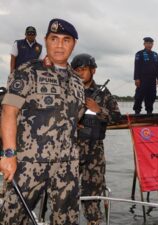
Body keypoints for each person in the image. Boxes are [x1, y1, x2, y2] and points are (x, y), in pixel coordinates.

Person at [0, 18, 85, 225]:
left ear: (73, 44)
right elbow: (9, 112)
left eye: (66, 40)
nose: (59, 45)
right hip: (29, 163)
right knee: (13, 218)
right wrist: (9, 154)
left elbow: (77, 117)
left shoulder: (77, 81)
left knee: (67, 219)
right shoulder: (28, 72)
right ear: (46, 40)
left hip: (67, 165)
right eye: (54, 38)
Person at [71, 53, 121, 225]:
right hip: (70, 151)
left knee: (92, 198)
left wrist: (98, 109)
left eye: (83, 69)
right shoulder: (67, 91)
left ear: (93, 70)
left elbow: (117, 117)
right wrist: (71, 123)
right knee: (65, 196)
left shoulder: (103, 93)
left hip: (95, 153)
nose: (80, 73)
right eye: (76, 70)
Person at [133, 37, 158, 115]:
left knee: (152, 96)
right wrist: (136, 78)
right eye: (147, 43)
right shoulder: (139, 53)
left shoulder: (155, 54)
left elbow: (157, 66)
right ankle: (137, 111)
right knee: (139, 96)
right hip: (142, 79)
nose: (149, 45)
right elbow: (137, 66)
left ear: (152, 44)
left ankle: (149, 111)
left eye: (151, 43)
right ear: (144, 44)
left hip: (152, 79)